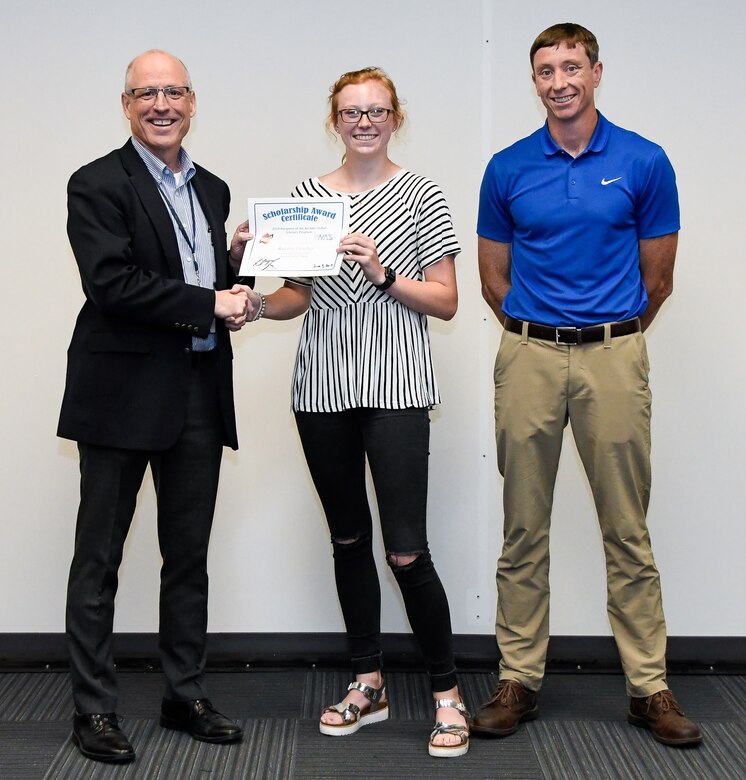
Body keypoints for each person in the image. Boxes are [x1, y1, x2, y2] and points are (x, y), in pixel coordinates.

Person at [471, 23, 702, 748]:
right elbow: (492, 280)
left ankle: (649, 688)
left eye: (572, 67)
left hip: (613, 357)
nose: (559, 81)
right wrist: (542, 335)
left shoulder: (644, 160)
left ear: (597, 72)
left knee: (627, 529)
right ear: (534, 80)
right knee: (523, 528)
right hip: (530, 357)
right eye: (546, 70)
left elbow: (657, 278)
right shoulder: (507, 167)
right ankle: (518, 679)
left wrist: (610, 336)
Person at [231, 66, 469, 758]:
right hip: (323, 390)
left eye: (376, 110)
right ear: (334, 120)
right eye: (350, 112)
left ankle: (448, 694)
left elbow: (447, 300)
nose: (363, 122)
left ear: (396, 116)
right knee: (346, 541)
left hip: (396, 388)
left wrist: (384, 273)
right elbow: (294, 298)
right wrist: (250, 289)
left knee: (406, 549)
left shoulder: (422, 194)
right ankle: (369, 680)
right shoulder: (306, 198)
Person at [59, 50, 251, 763]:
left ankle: (184, 693)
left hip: (199, 392)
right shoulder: (97, 182)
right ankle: (94, 709)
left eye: (174, 92)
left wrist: (241, 265)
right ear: (127, 103)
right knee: (98, 559)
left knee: (188, 556)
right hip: (119, 397)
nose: (161, 104)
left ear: (193, 102)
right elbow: (114, 283)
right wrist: (211, 299)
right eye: (148, 93)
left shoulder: (216, 189)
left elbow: (206, 282)